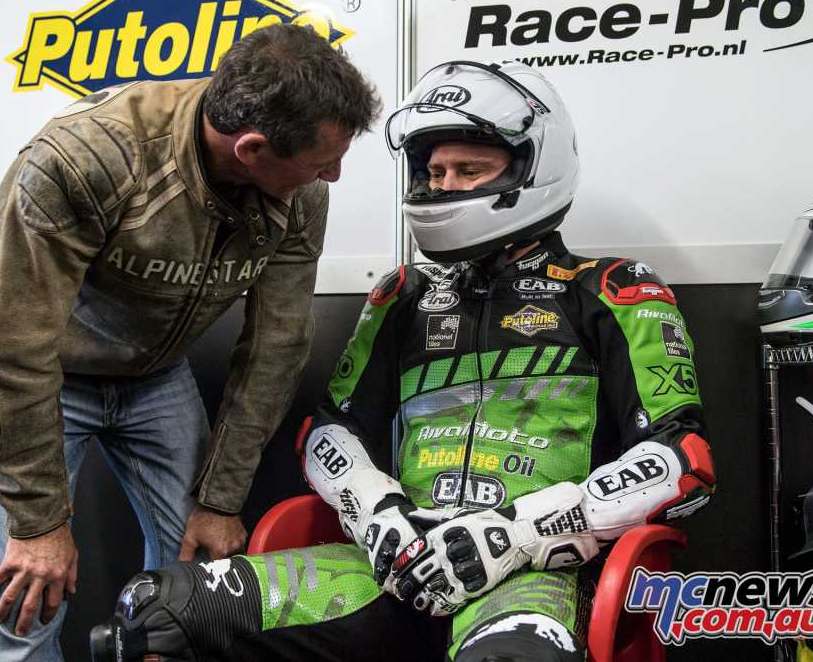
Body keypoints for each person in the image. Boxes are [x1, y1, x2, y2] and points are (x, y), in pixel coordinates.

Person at [93, 61, 716, 662]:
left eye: (468, 168)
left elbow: (679, 459)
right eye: (435, 170)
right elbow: (331, 432)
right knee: (160, 612)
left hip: (533, 572)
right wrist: (378, 516)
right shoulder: (401, 296)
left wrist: (518, 533)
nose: (444, 185)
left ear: (534, 167)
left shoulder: (613, 288)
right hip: (396, 563)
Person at [0, 23, 381, 661]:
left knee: (201, 579)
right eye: (322, 163)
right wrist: (40, 523)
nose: (334, 176)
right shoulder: (88, 156)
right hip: (44, 382)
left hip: (156, 379)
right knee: (28, 595)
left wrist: (220, 499)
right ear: (253, 149)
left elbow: (277, 346)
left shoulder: (300, 193)